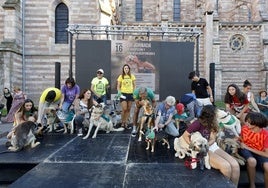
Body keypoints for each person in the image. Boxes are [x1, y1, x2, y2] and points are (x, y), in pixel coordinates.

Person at [181, 105, 240, 186]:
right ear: (210, 115)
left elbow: (212, 139)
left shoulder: (214, 123)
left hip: (210, 145)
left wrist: (206, 145)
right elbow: (185, 135)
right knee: (226, 167)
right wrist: (193, 147)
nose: (218, 114)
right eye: (216, 113)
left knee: (235, 165)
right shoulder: (197, 123)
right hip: (201, 148)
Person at [240, 112, 268, 188]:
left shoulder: (265, 134)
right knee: (252, 161)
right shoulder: (245, 128)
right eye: (247, 122)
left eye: (250, 123)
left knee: (267, 166)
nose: (247, 124)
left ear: (258, 125)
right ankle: (252, 185)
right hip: (246, 150)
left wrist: (247, 147)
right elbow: (241, 138)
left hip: (259, 151)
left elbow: (266, 154)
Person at [117, 64, 136, 129]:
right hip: (123, 94)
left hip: (130, 94)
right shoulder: (121, 76)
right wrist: (119, 92)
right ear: (123, 69)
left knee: (128, 109)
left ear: (129, 69)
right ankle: (122, 122)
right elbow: (118, 86)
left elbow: (134, 85)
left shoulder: (132, 76)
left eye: (127, 68)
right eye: (125, 68)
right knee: (124, 109)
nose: (126, 69)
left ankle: (126, 123)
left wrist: (134, 93)